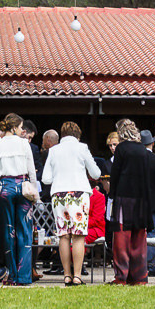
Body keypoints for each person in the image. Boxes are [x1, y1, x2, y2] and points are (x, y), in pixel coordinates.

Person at [40, 121, 100, 286]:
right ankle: (77, 276)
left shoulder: (53, 150)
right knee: (79, 236)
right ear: (77, 135)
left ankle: (66, 275)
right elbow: (96, 173)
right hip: (79, 193)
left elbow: (45, 178)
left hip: (59, 194)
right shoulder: (82, 148)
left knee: (64, 235)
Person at [106, 119, 155, 285]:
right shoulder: (143, 151)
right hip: (141, 199)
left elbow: (115, 174)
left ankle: (122, 276)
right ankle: (139, 276)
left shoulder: (121, 149)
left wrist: (112, 195)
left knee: (122, 237)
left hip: (124, 198)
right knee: (139, 237)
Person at [0, 113, 37, 285]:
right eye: (21, 127)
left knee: (8, 232)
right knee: (25, 230)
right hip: (23, 185)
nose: (22, 130)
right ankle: (24, 276)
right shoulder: (24, 144)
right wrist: (35, 192)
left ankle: (12, 275)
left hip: (4, 187)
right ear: (15, 127)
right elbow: (31, 170)